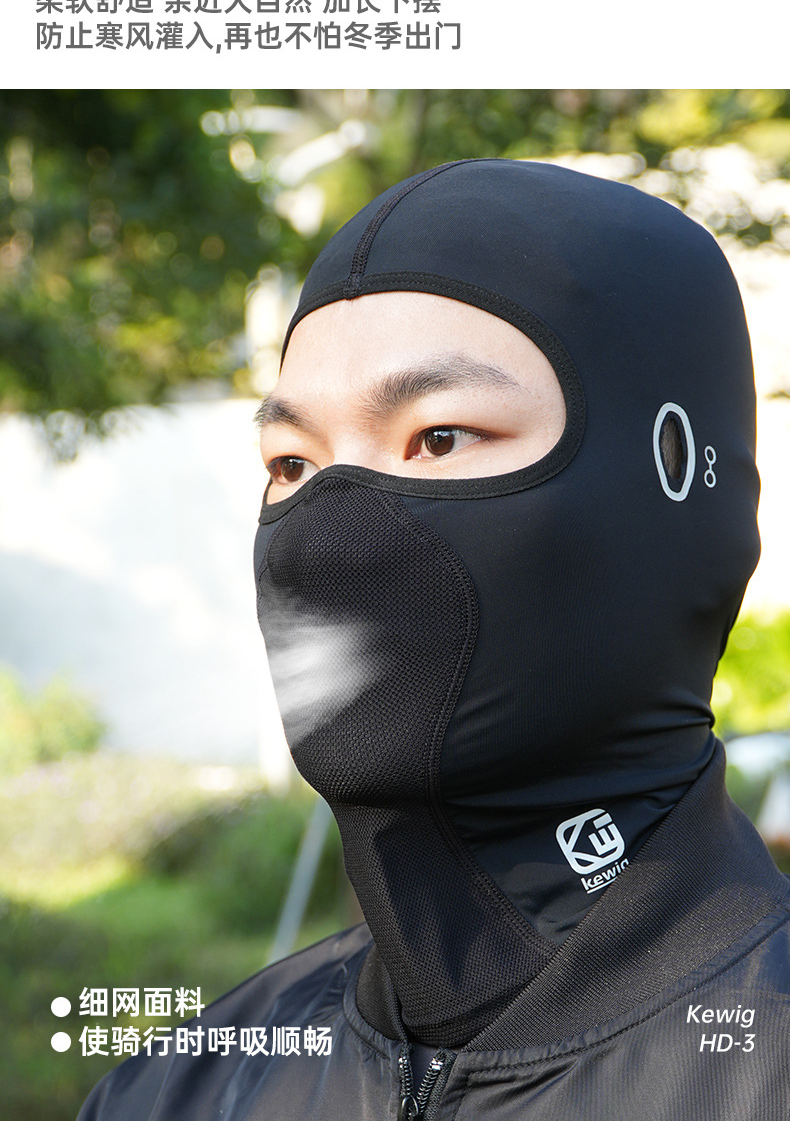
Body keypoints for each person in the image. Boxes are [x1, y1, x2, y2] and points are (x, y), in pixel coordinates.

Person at [79, 158, 790, 1120]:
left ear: (676, 475)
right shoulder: (177, 1086)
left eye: (440, 436)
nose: (324, 538)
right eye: (292, 463)